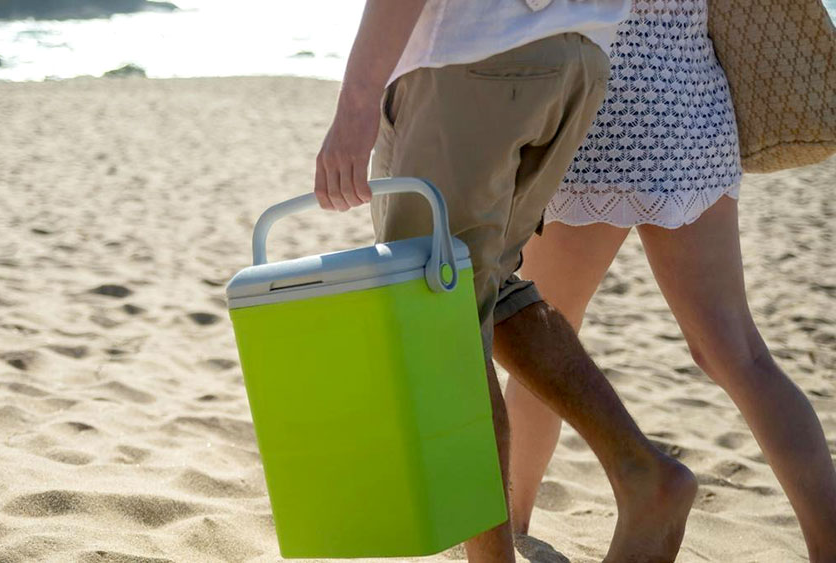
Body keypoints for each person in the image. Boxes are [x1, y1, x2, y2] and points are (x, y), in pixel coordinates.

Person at [314, 1, 698, 561]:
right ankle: (642, 474)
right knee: (484, 287)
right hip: (579, 57)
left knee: (435, 317)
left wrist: (356, 102)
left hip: (471, 55)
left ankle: (493, 557)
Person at [503, 1, 836, 561]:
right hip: (696, 109)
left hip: (602, 109)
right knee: (739, 352)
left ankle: (510, 527)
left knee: (543, 338)